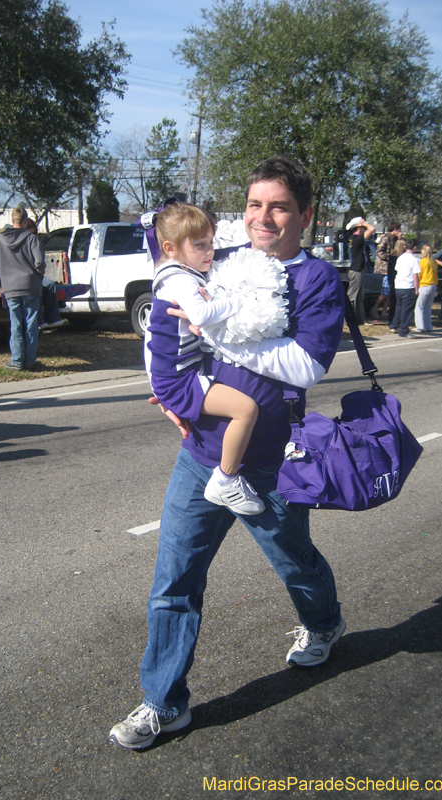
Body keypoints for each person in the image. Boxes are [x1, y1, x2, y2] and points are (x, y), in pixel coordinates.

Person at [108, 155, 346, 751]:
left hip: (268, 458)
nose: (263, 217)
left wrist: (224, 336)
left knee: (294, 563)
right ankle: (164, 703)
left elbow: (304, 364)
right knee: (174, 582)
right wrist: (167, 392)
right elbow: (169, 319)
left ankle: (325, 623)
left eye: (279, 206)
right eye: (254, 204)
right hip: (201, 450)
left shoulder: (317, 279)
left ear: (304, 214)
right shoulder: (226, 259)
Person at [147, 201, 267, 515]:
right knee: (245, 410)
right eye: (200, 244)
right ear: (171, 248)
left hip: (176, 374)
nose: (210, 251)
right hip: (178, 379)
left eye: (211, 242)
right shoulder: (181, 280)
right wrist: (239, 300)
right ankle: (226, 480)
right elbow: (200, 314)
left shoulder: (174, 269)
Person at [0, 207, 45, 371]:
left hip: (10, 288)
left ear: (12, 220)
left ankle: (17, 361)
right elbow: (40, 262)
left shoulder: (0, 239)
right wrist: (37, 278)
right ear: (26, 221)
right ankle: (30, 360)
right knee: (31, 324)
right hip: (30, 287)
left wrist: (0, 283)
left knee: (15, 324)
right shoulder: (31, 239)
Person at [24, 218, 64, 331]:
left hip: (36, 274)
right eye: (29, 234)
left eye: (34, 233)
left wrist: (39, 275)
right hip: (25, 276)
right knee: (36, 287)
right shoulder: (21, 245)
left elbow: (40, 263)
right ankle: (39, 319)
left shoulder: (36, 245)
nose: (32, 236)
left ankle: (53, 318)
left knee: (50, 284)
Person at [346, 216, 375, 325]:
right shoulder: (356, 238)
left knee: (359, 298)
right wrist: (365, 223)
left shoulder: (355, 238)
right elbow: (371, 229)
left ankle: (361, 319)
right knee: (353, 296)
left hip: (360, 270)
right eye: (362, 227)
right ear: (359, 227)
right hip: (356, 271)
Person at [370, 221, 402, 320]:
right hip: (384, 267)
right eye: (399, 230)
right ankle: (375, 308)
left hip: (391, 267)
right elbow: (379, 251)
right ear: (395, 229)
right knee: (385, 290)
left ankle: (384, 312)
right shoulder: (385, 238)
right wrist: (389, 257)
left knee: (389, 292)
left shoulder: (394, 239)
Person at [389, 239, 420, 338]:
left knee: (399, 306)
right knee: (407, 309)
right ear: (414, 247)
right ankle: (404, 330)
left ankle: (395, 325)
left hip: (399, 285)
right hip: (408, 285)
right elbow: (415, 275)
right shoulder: (414, 259)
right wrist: (416, 288)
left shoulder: (400, 258)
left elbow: (397, 270)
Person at [412, 244, 438, 332]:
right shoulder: (434, 261)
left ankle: (420, 326)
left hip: (424, 285)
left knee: (419, 307)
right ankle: (428, 326)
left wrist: (416, 286)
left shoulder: (422, 261)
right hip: (433, 285)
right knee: (427, 308)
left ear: (424, 251)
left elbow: (419, 274)